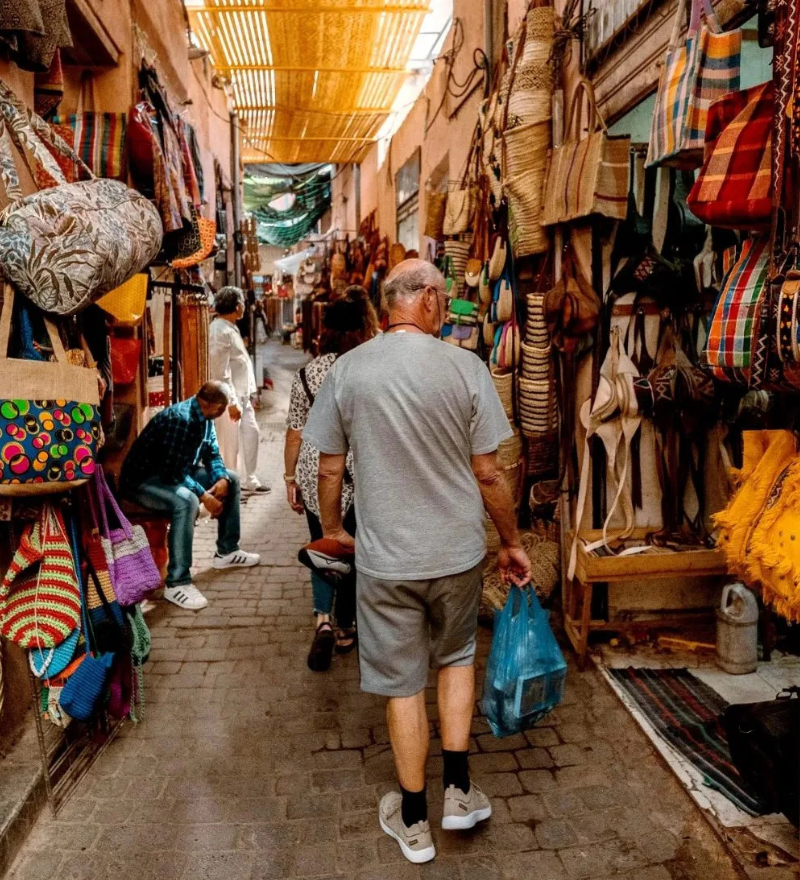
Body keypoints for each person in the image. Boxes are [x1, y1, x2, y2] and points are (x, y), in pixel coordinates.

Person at [303, 260, 532, 864]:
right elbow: (489, 472)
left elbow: (329, 467)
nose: (446, 305)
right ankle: (457, 792)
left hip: (385, 559)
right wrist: (510, 542)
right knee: (456, 660)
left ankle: (412, 822)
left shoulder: (348, 371)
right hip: (456, 554)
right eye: (445, 296)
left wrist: (331, 531)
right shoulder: (465, 367)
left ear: (389, 306)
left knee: (403, 684)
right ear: (428, 299)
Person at [284, 289, 377, 671]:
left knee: (324, 545)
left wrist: (290, 476)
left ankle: (322, 619)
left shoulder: (308, 373)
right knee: (353, 549)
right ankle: (346, 626)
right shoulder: (370, 366)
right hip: (361, 469)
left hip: (314, 466)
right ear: (363, 326)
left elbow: (294, 430)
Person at [120, 381, 261, 612]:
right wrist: (205, 495)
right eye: (223, 407)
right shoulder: (180, 420)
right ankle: (177, 582)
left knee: (233, 479)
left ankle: (227, 550)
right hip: (143, 481)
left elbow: (212, 452)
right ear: (215, 407)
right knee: (186, 501)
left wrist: (221, 478)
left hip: (175, 472)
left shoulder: (205, 418)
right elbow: (171, 472)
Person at [209, 286, 270, 495]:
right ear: (237, 307)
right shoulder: (220, 331)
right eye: (242, 303)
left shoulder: (229, 327)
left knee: (251, 433)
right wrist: (232, 402)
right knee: (230, 445)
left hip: (242, 395)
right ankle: (229, 487)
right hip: (230, 397)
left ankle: (248, 480)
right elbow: (221, 371)